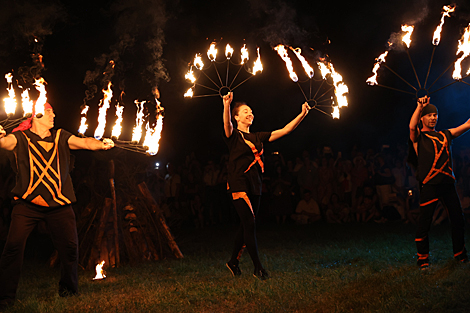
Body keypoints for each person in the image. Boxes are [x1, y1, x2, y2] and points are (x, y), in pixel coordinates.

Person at [0, 103, 114, 309]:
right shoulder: (20, 138)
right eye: (49, 111)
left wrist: (101, 144)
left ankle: (69, 291)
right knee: (13, 248)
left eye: (53, 110)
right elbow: (4, 144)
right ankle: (5, 297)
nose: (54, 114)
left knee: (70, 248)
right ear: (36, 115)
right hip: (27, 205)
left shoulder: (60, 136)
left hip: (59, 205)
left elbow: (85, 142)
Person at [222, 92, 310, 280]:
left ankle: (233, 262)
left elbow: (285, 130)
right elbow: (226, 125)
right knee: (250, 223)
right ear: (237, 116)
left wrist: (302, 113)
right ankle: (258, 268)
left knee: (246, 224)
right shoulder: (234, 136)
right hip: (238, 184)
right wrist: (226, 105)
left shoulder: (258, 136)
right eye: (245, 111)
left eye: (251, 111)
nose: (250, 113)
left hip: (255, 185)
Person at [409, 95, 470, 269]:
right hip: (430, 185)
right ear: (423, 118)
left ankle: (460, 255)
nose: (433, 117)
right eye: (430, 115)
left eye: (435, 115)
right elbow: (412, 127)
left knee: (458, 219)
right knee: (425, 223)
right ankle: (423, 259)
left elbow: (466, 125)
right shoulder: (419, 138)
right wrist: (420, 107)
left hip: (447, 185)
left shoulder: (446, 134)